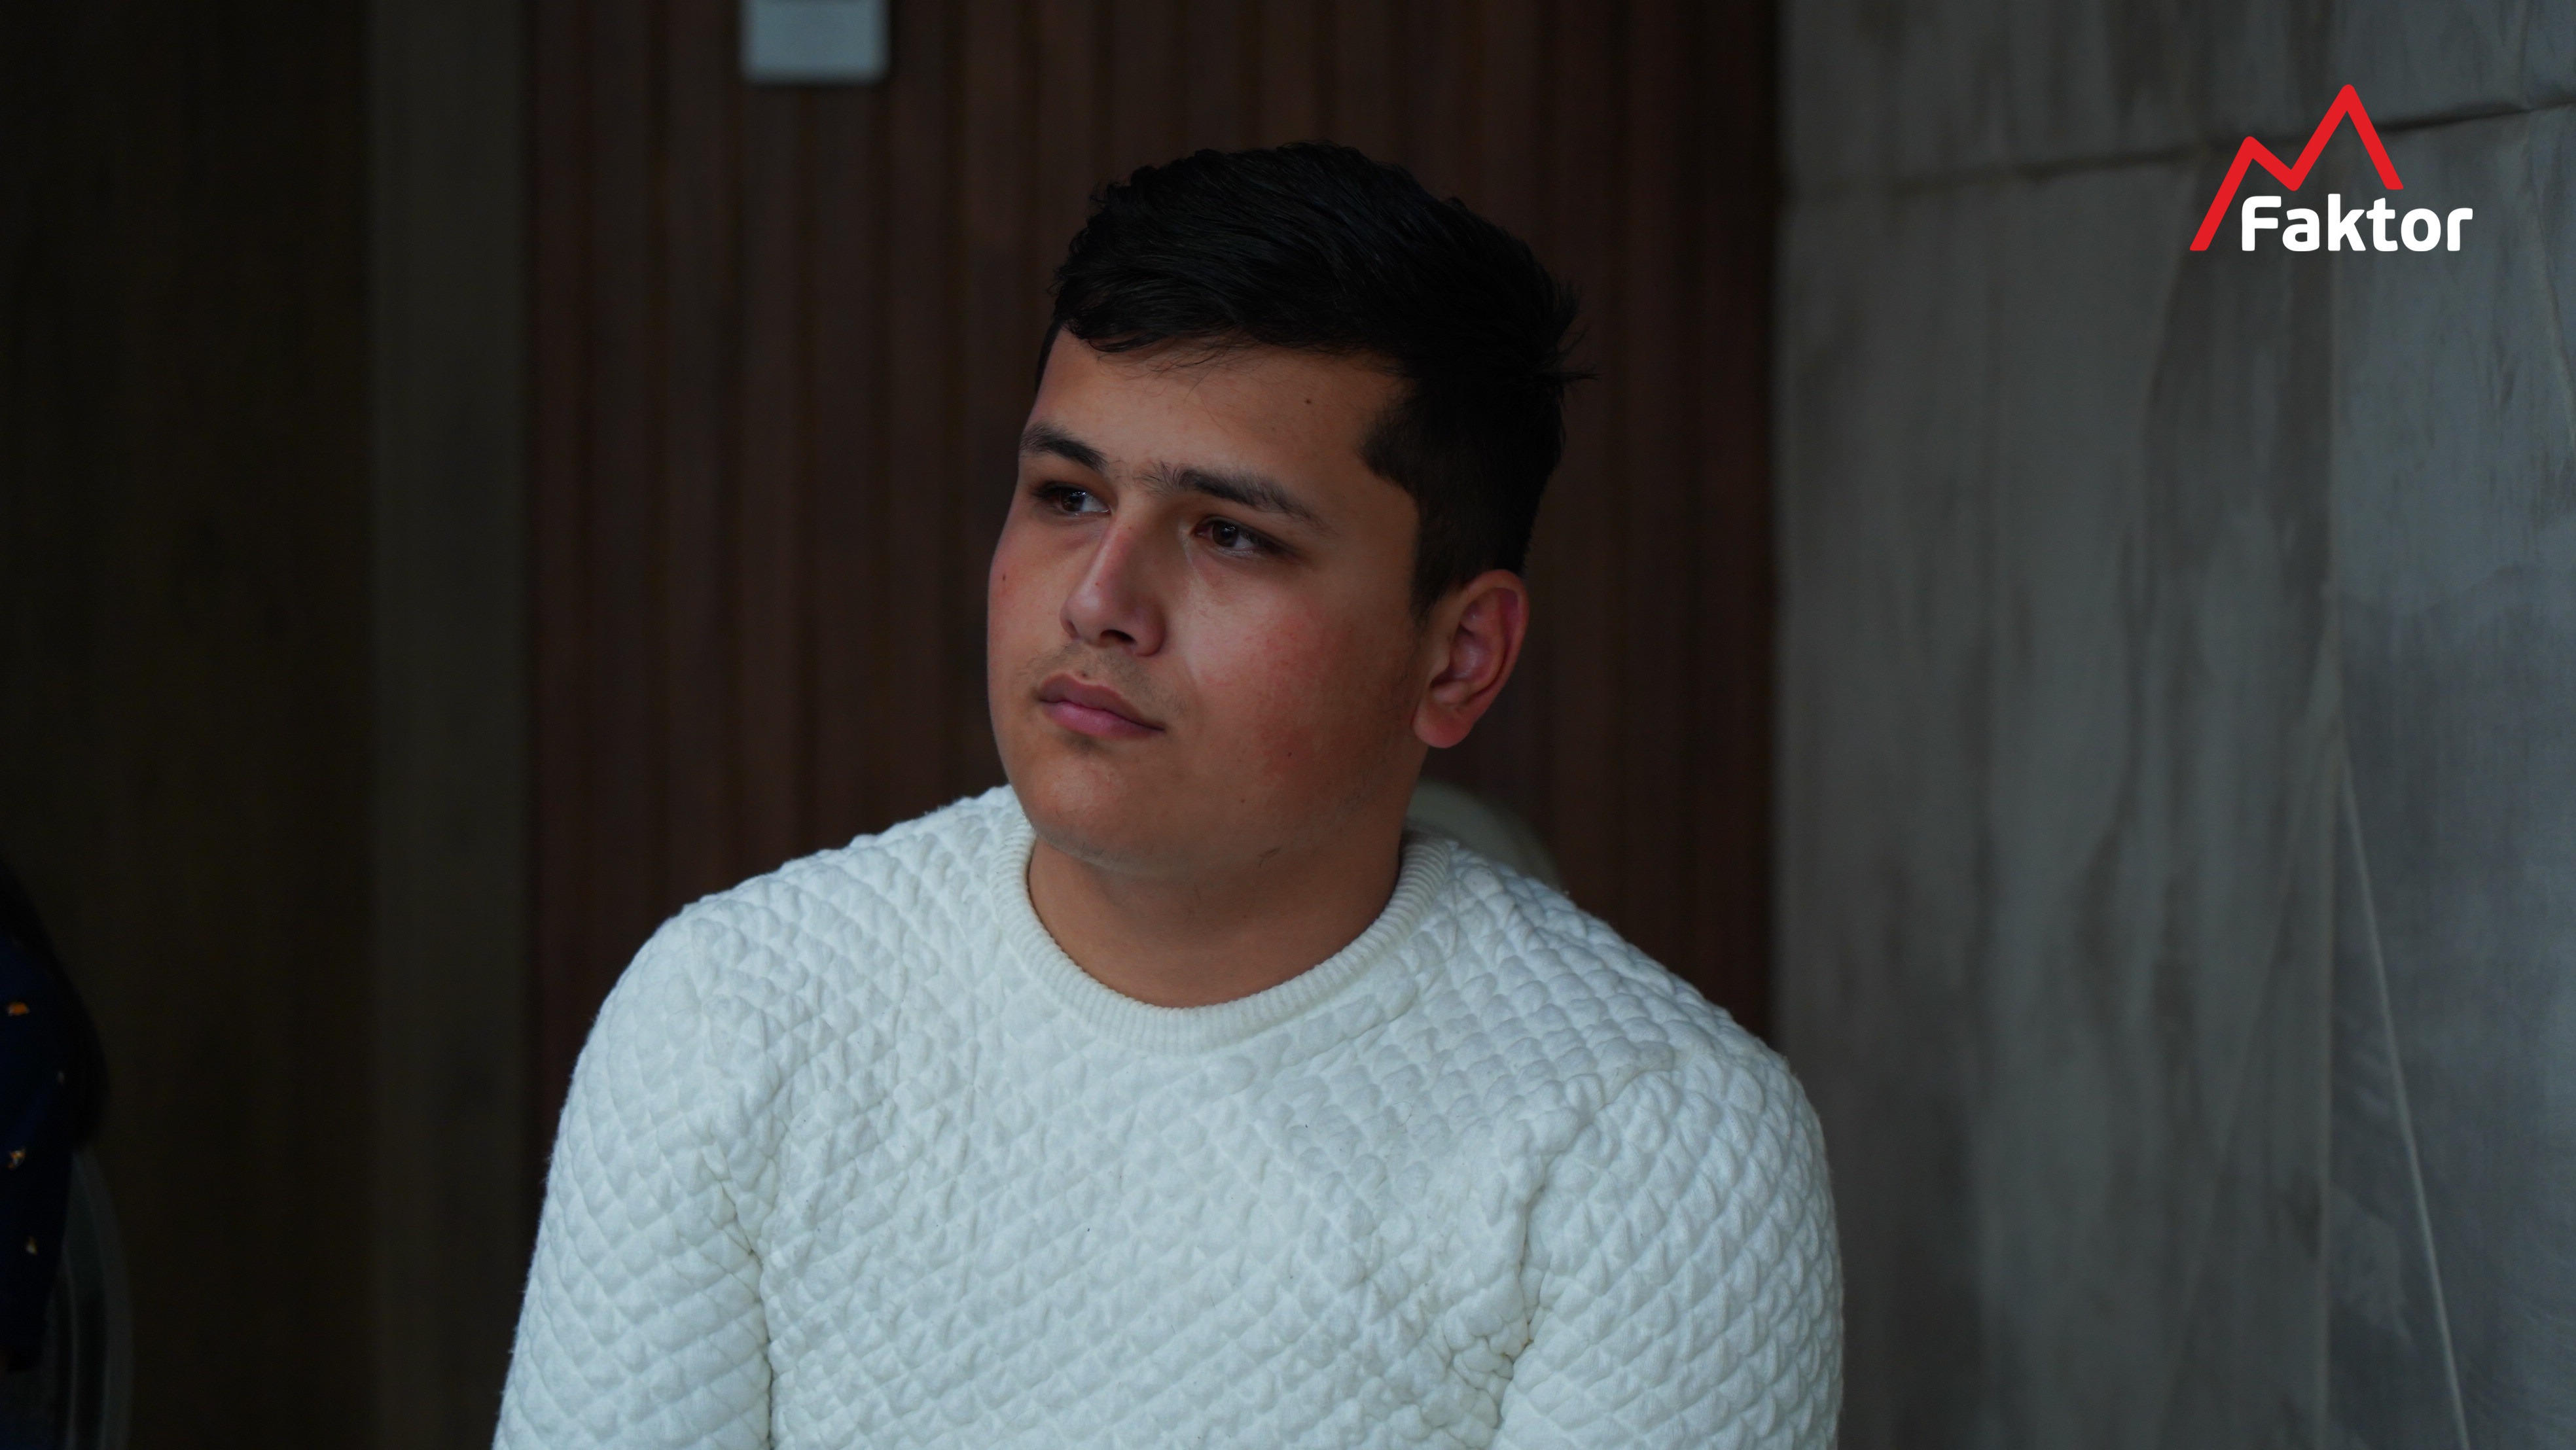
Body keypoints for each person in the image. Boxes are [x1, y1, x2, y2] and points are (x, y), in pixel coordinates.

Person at [497, 143, 1838, 1449]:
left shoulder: (1656, 1146)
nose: (1100, 600)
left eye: (1231, 533)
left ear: (1458, 657)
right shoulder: (733, 1013)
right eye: (1068, 495)